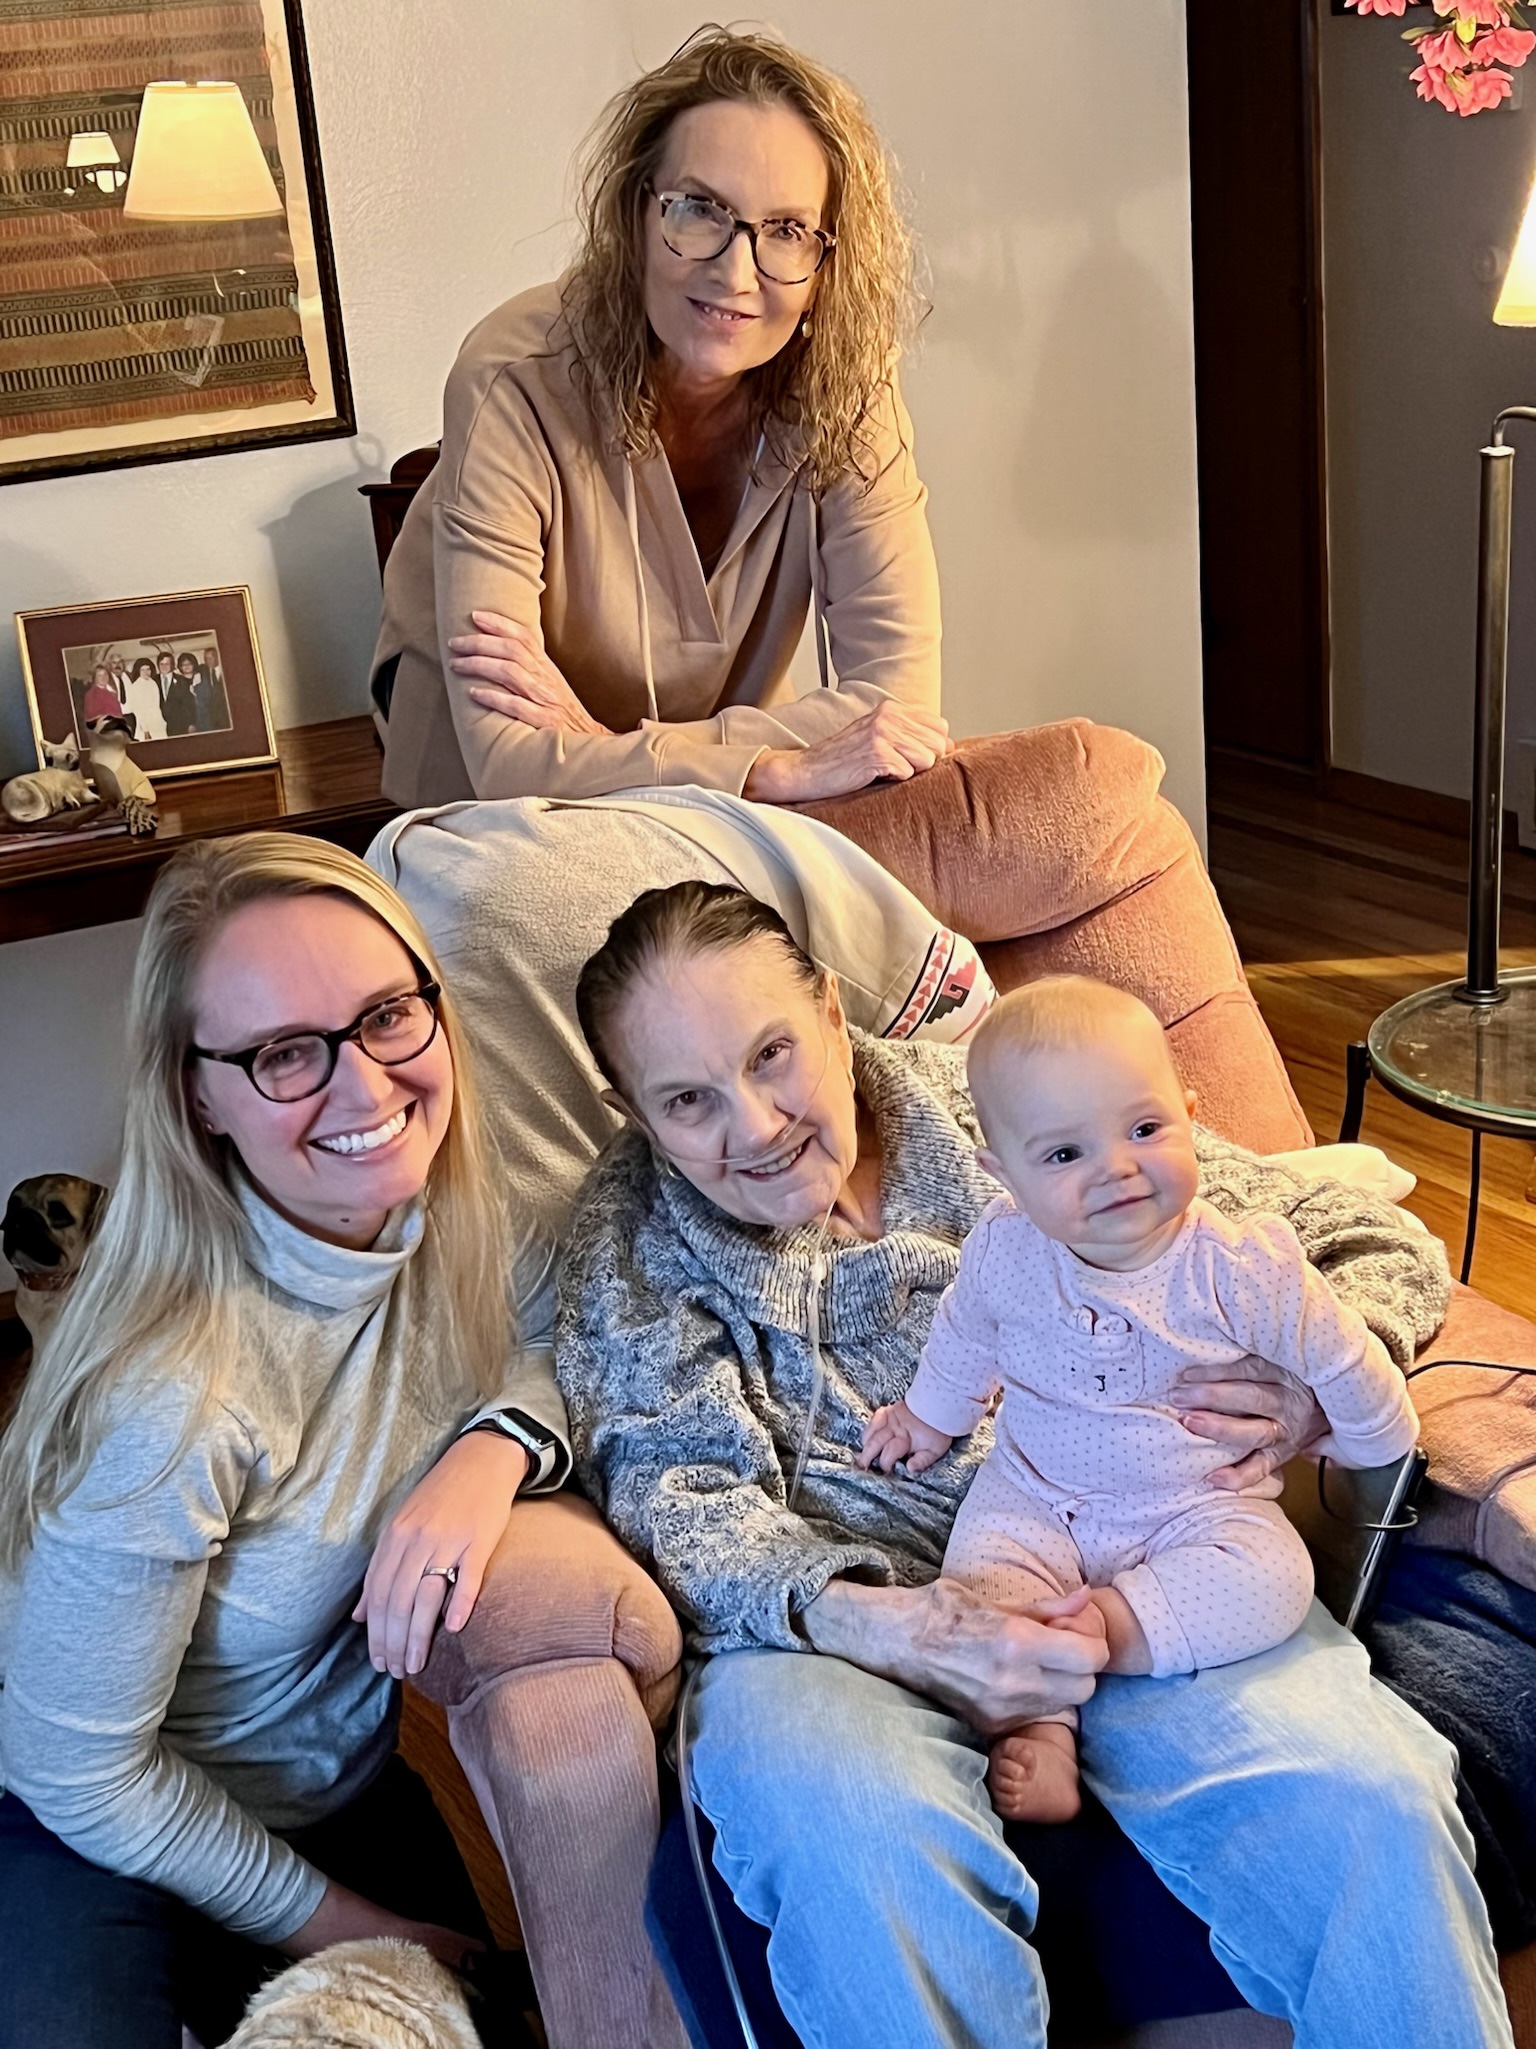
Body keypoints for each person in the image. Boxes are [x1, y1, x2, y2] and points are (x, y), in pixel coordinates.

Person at [555, 880, 1512, 2049]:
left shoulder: (1009, 1093)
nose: (754, 1126)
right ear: (633, 1112)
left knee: (1369, 1801)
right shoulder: (629, 1243)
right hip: (838, 1626)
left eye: (772, 1055)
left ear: (831, 1010)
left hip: (1152, 1538)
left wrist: (1311, 1388)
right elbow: (678, 1501)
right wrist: (888, 1624)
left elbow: (1353, 1233)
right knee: (852, 1827)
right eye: (688, 1101)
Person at [0, 832, 568, 2049]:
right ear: (197, 1094)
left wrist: (498, 1449)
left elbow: (569, 1342)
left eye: (386, 1016)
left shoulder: (461, 1214)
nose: (364, 1088)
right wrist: (366, 1933)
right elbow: (78, 1772)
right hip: (85, 1825)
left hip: (326, 1794)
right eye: (283, 1053)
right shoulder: (175, 1393)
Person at [861, 975, 1418, 1825]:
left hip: (1193, 1506)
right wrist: (928, 1418)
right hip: (1033, 1492)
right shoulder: (1004, 1249)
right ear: (1002, 1174)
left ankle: (1111, 1630)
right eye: (1064, 1155)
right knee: (980, 1588)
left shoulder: (1239, 1268)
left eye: (1145, 1129)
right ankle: (1042, 1727)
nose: (1116, 1168)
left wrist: (1372, 1440)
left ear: (1189, 1116)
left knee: (1274, 1579)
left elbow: (1340, 1351)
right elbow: (964, 1334)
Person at [373, 27, 951, 810]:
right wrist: (763, 767)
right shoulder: (510, 379)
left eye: (787, 230)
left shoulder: (850, 391)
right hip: (489, 786)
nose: (736, 273)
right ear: (636, 213)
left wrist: (607, 748)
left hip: (684, 773)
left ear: (828, 261)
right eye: (700, 210)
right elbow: (508, 760)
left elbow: (901, 706)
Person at [121, 655, 167, 743]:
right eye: (143, 670)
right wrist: (146, 729)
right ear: (138, 671)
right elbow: (137, 709)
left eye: (148, 669)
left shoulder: (153, 683)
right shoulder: (136, 686)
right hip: (145, 725)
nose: (146, 672)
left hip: (157, 722)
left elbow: (156, 705)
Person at [159, 649, 196, 736]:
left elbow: (189, 704)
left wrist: (191, 724)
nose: (164, 667)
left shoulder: (182, 680)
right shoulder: (153, 681)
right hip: (160, 726)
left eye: (167, 664)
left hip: (180, 725)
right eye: (161, 664)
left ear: (172, 665)